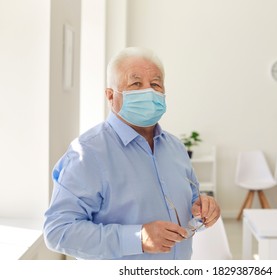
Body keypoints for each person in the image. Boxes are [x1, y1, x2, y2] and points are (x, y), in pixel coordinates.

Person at [44, 47, 221, 260]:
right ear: (110, 96)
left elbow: (191, 204)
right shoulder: (88, 153)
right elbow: (58, 231)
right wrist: (137, 238)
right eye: (136, 83)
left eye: (155, 84)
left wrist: (203, 209)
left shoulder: (176, 148)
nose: (148, 91)